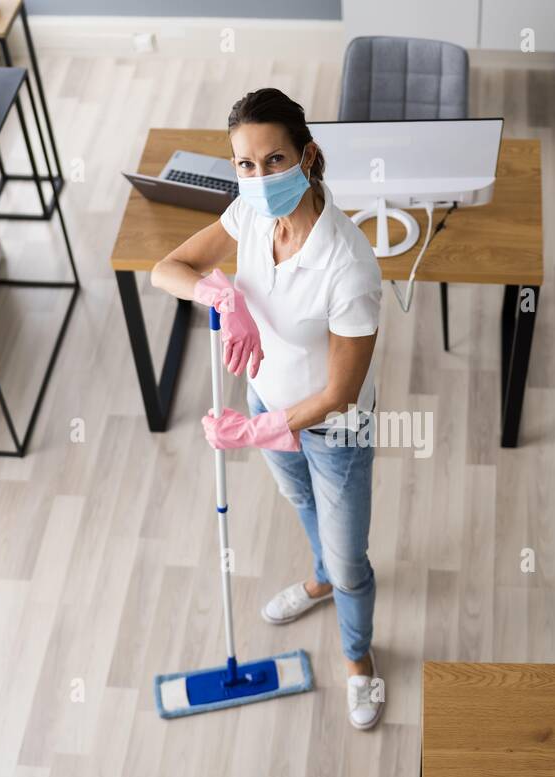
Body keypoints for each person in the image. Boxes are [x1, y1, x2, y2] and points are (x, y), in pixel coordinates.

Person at [150, 88, 384, 730]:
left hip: (332, 428)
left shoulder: (349, 268)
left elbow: (339, 394)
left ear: (308, 156)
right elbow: (165, 269)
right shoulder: (250, 217)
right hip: (267, 400)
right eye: (245, 165)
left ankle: (358, 658)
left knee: (352, 561)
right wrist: (223, 298)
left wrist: (259, 429)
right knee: (302, 505)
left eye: (274, 160)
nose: (258, 178)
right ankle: (318, 581)